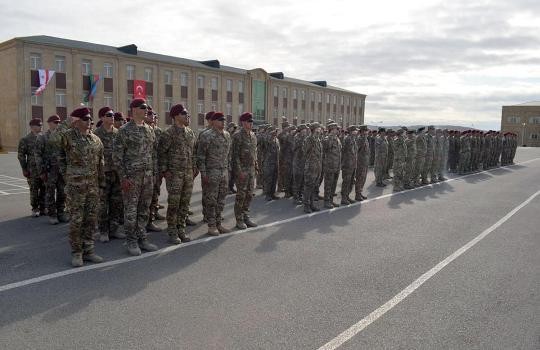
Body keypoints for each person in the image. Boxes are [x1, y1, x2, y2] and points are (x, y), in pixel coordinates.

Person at [59, 107, 105, 267]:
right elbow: (56, 151)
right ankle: (77, 253)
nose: (90, 122)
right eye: (86, 119)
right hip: (75, 187)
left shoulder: (96, 140)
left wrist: (101, 184)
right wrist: (68, 176)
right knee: (77, 220)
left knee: (91, 220)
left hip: (92, 186)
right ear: (77, 121)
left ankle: (89, 250)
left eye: (90, 119)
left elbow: (101, 163)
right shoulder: (68, 136)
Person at [113, 98, 158, 256]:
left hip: (147, 177)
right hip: (132, 178)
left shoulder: (149, 129)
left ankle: (142, 238)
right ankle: (131, 241)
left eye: (146, 107)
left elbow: (153, 154)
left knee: (144, 209)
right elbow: (117, 157)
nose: (146, 110)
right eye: (143, 107)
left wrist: (153, 174)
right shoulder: (124, 130)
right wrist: (123, 178)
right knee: (131, 211)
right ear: (134, 110)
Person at [159, 104, 197, 244]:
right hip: (174, 174)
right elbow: (162, 153)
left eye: (187, 113)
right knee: (174, 204)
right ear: (175, 116)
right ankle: (172, 232)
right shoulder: (168, 133)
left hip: (188, 173)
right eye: (183, 113)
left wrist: (194, 167)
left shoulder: (190, 132)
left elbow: (193, 152)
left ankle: (181, 229)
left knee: (185, 204)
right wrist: (165, 170)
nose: (187, 115)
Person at [196, 112, 232, 236]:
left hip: (223, 172)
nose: (223, 122)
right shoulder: (206, 135)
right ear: (214, 121)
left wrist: (228, 170)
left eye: (224, 120)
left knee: (221, 199)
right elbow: (200, 156)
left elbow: (228, 155)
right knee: (211, 200)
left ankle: (218, 223)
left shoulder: (227, 135)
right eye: (220, 120)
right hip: (211, 172)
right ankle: (211, 226)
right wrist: (204, 173)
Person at [94, 107, 125, 242]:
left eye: (112, 115)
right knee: (103, 204)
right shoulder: (96, 134)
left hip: (117, 173)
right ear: (102, 118)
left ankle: (114, 229)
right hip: (103, 174)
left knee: (116, 203)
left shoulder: (119, 133)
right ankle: (103, 231)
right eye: (108, 115)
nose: (112, 117)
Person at [231, 112, 258, 229]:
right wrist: (239, 171)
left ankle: (246, 216)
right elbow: (234, 155)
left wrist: (256, 166)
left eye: (252, 121)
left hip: (251, 170)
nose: (251, 123)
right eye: (249, 121)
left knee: (249, 195)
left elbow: (254, 153)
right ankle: (239, 219)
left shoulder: (253, 135)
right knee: (241, 195)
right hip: (242, 171)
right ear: (243, 122)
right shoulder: (237, 136)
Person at [18, 118, 46, 217]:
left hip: (43, 168)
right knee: (34, 189)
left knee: (44, 188)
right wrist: (24, 169)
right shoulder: (25, 139)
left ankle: (43, 208)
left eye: (41, 125)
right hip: (32, 169)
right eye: (39, 125)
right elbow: (21, 155)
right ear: (32, 127)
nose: (41, 127)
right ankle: (35, 208)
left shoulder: (44, 138)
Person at [42, 115, 66, 224]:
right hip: (50, 169)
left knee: (62, 192)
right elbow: (38, 155)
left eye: (58, 122)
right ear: (49, 123)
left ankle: (61, 213)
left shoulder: (62, 136)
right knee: (50, 192)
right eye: (55, 122)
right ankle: (52, 215)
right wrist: (41, 171)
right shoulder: (43, 137)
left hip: (61, 168)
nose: (57, 124)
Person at [303, 122, 323, 213]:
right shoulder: (309, 139)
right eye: (318, 128)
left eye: (320, 128)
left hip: (317, 167)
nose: (320, 129)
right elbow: (305, 151)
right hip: (311, 167)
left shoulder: (318, 139)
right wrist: (313, 138)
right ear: (314, 129)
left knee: (313, 187)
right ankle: (306, 206)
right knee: (308, 187)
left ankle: (311, 204)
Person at [323, 123, 342, 209]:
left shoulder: (337, 139)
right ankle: (326, 201)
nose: (337, 130)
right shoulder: (327, 139)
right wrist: (331, 137)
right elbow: (326, 149)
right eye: (335, 129)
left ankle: (331, 200)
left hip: (336, 165)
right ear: (331, 129)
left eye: (337, 129)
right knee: (328, 184)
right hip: (330, 166)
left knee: (334, 184)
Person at [341, 125, 358, 204]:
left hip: (352, 164)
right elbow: (345, 151)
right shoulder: (347, 139)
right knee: (346, 182)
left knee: (351, 182)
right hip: (347, 164)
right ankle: (344, 198)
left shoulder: (353, 139)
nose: (356, 132)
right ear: (351, 131)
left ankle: (347, 196)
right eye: (355, 130)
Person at [292, 124, 308, 205]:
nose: (305, 131)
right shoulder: (297, 137)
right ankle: (296, 197)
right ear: (301, 130)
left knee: (302, 181)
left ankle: (300, 195)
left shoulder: (305, 137)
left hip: (304, 162)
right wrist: (302, 137)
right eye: (304, 130)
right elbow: (295, 147)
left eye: (306, 130)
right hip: (297, 162)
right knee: (297, 181)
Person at [263, 126, 280, 201]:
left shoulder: (276, 140)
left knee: (274, 179)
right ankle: (267, 195)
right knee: (269, 179)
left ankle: (272, 194)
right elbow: (267, 140)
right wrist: (271, 134)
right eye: (274, 131)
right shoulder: (267, 138)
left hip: (275, 162)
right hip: (269, 162)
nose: (275, 132)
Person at [354, 125, 370, 201]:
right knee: (359, 178)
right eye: (365, 130)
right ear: (362, 131)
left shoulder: (365, 139)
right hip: (360, 162)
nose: (367, 132)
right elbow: (357, 150)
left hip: (365, 162)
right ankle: (357, 194)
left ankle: (360, 192)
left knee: (363, 179)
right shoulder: (360, 139)